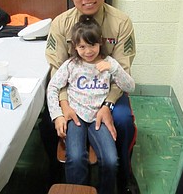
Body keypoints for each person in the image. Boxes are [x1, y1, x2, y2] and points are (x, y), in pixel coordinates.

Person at [40, 0, 140, 194]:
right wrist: (64, 106)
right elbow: (58, 72)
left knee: (123, 121)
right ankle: (56, 171)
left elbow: (122, 71)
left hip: (107, 89)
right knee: (47, 122)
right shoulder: (60, 23)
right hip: (73, 92)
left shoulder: (121, 22)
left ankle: (124, 173)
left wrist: (108, 105)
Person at [47, 18, 135, 194]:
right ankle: (77, 190)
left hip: (99, 117)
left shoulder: (110, 63)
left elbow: (130, 87)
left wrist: (114, 69)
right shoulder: (71, 65)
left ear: (100, 42)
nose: (88, 51)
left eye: (92, 45)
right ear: (75, 47)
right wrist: (57, 115)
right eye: (82, 47)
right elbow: (53, 87)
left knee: (110, 160)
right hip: (76, 116)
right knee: (76, 157)